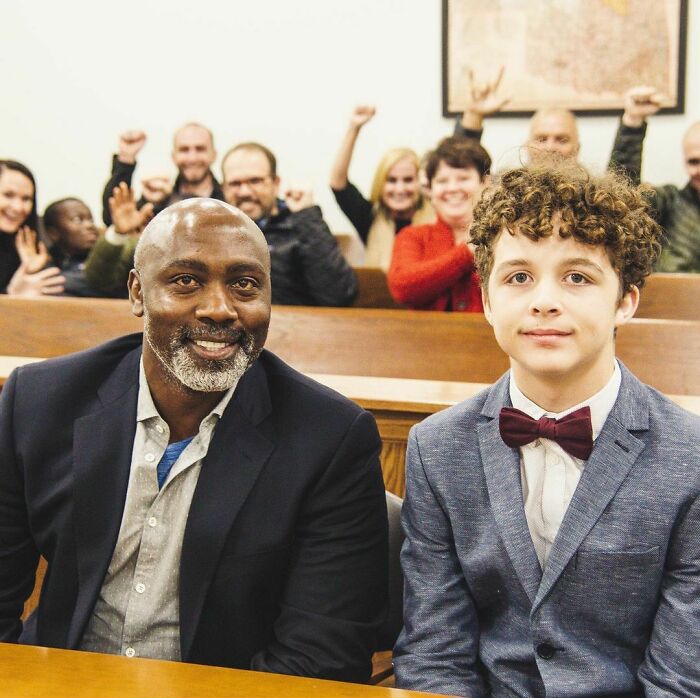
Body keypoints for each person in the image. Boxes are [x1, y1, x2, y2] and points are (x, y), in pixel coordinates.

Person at [0, 198, 388, 682]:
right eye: (186, 280)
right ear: (138, 292)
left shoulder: (330, 438)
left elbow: (318, 659)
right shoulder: (40, 402)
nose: (220, 309)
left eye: (245, 285)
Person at [394, 163, 700, 696]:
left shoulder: (689, 455)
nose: (543, 300)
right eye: (518, 277)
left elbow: (679, 677)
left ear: (625, 300)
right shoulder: (436, 448)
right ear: (488, 301)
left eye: (577, 277)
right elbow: (434, 653)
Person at [222, 142, 358, 306]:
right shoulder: (214, 232)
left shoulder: (302, 225)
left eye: (255, 181)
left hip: (294, 327)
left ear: (276, 183)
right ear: (223, 188)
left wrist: (307, 216)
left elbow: (340, 295)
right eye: (235, 184)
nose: (245, 192)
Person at [387, 136, 491, 311]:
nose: (452, 188)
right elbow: (402, 287)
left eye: (463, 178)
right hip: (424, 337)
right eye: (442, 181)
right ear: (431, 190)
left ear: (485, 183)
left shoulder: (503, 236)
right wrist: (466, 253)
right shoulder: (413, 236)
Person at [329, 106, 434, 269]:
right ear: (380, 184)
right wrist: (354, 128)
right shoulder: (369, 217)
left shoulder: (438, 216)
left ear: (419, 182)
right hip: (381, 293)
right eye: (391, 180)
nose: (400, 189)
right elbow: (338, 183)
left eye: (408, 180)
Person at [609, 85, 700, 272]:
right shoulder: (670, 203)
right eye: (694, 161)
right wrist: (632, 124)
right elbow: (621, 197)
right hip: (674, 300)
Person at [101, 123, 224, 226]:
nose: (192, 158)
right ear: (173, 156)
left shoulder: (229, 198)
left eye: (200, 149)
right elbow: (114, 219)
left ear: (214, 155)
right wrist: (126, 159)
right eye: (184, 150)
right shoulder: (158, 199)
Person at [0, 160, 64, 296]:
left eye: (26, 199)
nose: (18, 207)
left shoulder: (30, 241)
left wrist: (34, 270)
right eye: (8, 195)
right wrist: (11, 294)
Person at [43, 198, 113, 297]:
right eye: (78, 220)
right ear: (53, 233)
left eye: (91, 220)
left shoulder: (105, 259)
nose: (90, 225)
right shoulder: (45, 264)